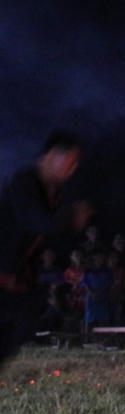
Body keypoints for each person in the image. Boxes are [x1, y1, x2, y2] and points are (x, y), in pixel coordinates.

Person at [0, 130, 92, 365]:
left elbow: (36, 237)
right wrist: (70, 217)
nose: (71, 171)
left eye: (75, 165)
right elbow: (34, 221)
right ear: (50, 156)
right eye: (68, 163)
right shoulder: (22, 181)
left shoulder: (51, 192)